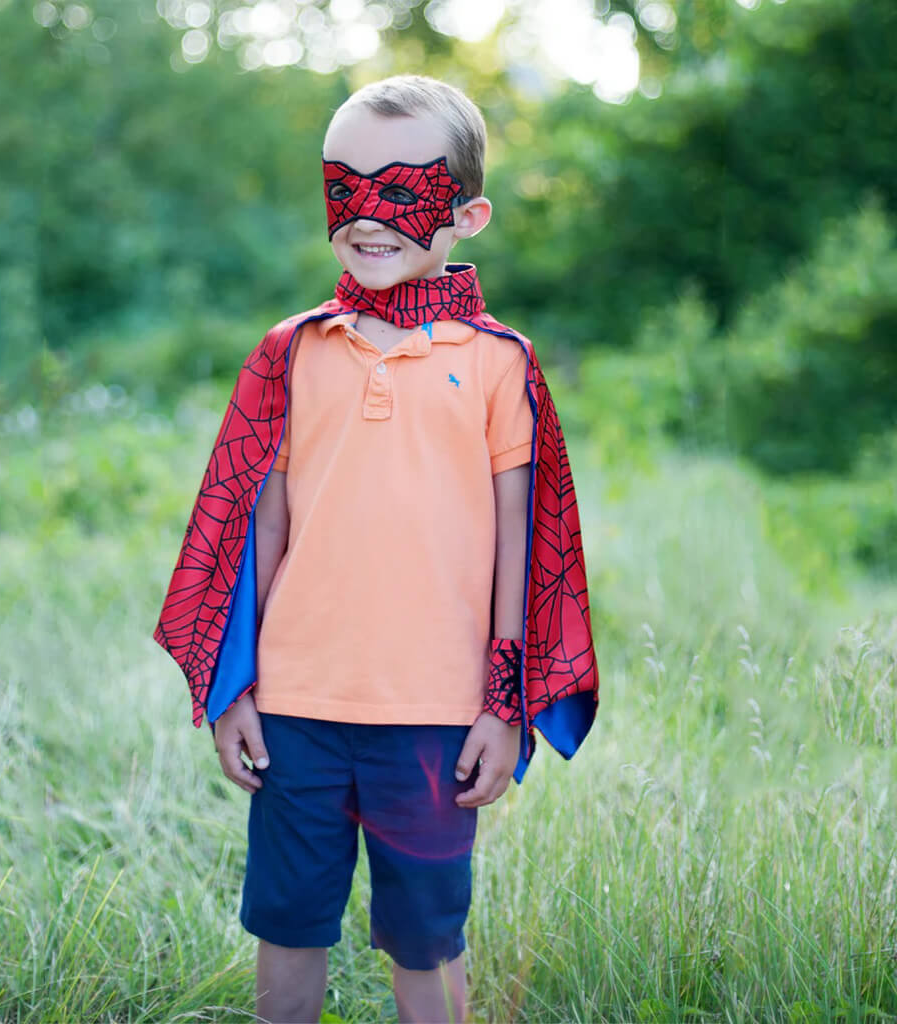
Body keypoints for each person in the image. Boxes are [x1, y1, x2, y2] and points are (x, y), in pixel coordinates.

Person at [154, 75, 599, 1023]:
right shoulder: (291, 353)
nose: (368, 216)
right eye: (344, 187)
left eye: (401, 192)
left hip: (437, 716)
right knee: (288, 932)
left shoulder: (498, 364)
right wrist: (235, 688)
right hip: (297, 708)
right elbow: (254, 529)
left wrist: (502, 702)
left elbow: (526, 546)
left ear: (467, 213)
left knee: (428, 941)